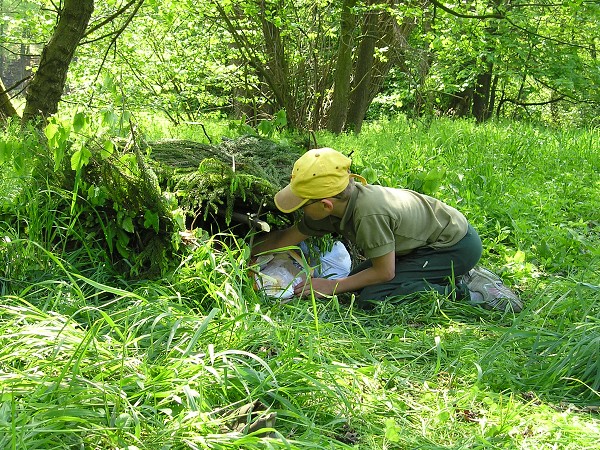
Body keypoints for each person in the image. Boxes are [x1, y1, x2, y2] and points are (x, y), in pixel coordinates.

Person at [251, 148, 522, 312]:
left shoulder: (369, 214)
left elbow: (384, 272)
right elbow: (289, 237)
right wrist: (246, 258)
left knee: (374, 296)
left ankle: (468, 287)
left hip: (454, 246)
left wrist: (332, 286)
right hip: (419, 246)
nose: (299, 209)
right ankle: (444, 273)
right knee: (355, 283)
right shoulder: (334, 206)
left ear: (324, 204)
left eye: (301, 204)